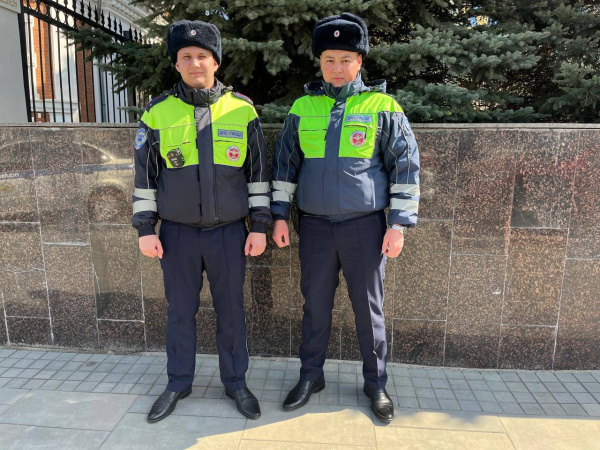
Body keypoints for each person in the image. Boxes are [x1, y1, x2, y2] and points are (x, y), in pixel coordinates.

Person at [271, 13, 420, 423]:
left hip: (364, 228)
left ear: (360, 61)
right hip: (315, 227)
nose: (337, 68)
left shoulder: (383, 107)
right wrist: (279, 216)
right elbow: (285, 166)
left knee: (369, 311)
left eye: (345, 60)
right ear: (320, 62)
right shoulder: (302, 108)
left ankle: (376, 384)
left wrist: (398, 224)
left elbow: (405, 168)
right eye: (329, 60)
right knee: (315, 307)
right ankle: (310, 376)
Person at [132, 20, 271, 422]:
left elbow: (257, 175)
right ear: (176, 64)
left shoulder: (241, 110)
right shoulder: (157, 112)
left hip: (229, 233)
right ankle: (178, 382)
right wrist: (146, 229)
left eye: (203, 56)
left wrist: (260, 226)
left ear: (216, 62)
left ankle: (236, 382)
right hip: (177, 235)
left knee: (232, 312)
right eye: (186, 57)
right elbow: (144, 177)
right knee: (180, 312)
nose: (195, 63)